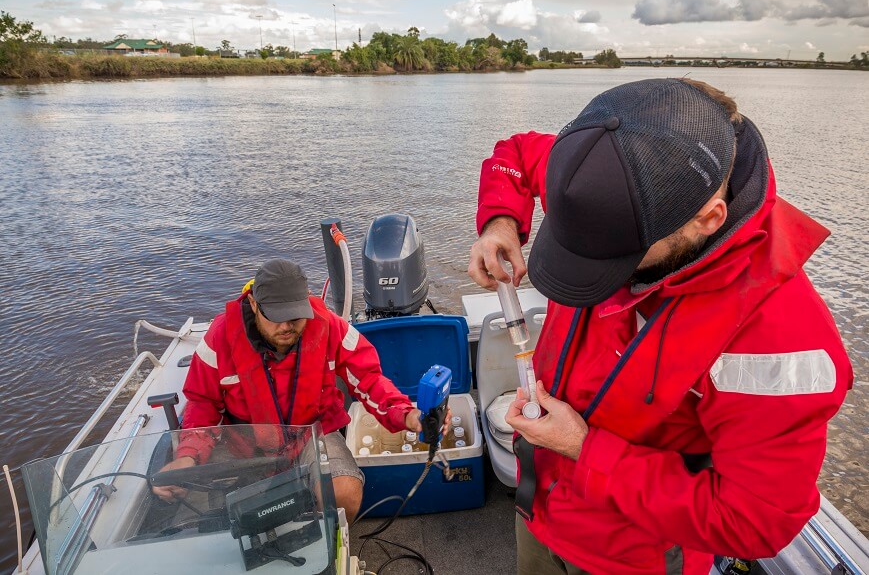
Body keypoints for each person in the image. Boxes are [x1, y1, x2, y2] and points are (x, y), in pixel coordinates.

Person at [468, 78, 853, 574]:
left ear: (708, 219)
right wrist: (500, 222)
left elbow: (754, 520)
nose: (588, 275)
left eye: (614, 257)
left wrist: (584, 449)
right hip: (541, 511)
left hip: (631, 557)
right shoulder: (606, 170)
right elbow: (517, 154)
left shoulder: (778, 336)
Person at [152, 258, 424, 523]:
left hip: (313, 435)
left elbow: (370, 381)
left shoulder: (330, 327)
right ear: (253, 304)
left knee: (343, 493)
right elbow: (203, 403)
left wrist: (408, 415)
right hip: (243, 444)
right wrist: (188, 455)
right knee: (204, 514)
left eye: (295, 316)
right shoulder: (219, 337)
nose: (286, 326)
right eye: (276, 316)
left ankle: (323, 545)